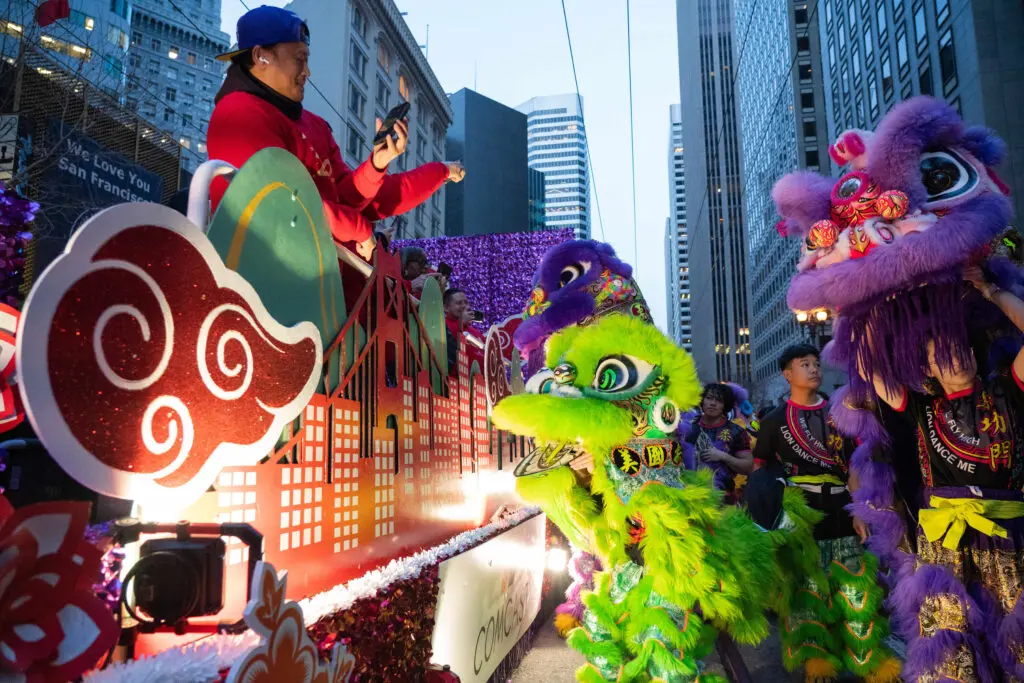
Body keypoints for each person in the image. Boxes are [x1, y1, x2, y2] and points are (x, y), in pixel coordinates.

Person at [206, 6, 465, 266]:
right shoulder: (238, 113)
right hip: (265, 282)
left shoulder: (315, 125)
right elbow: (277, 203)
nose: (307, 72)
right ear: (261, 56)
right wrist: (358, 228)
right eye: (299, 58)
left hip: (319, 282)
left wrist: (377, 164)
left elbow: (347, 196)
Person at [866, 265, 1024, 681]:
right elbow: (869, 364)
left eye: (960, 348)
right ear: (928, 369)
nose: (954, 357)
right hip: (942, 542)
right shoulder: (920, 405)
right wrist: (870, 302)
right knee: (949, 650)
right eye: (941, 353)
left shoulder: (1007, 390)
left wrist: (989, 290)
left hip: (1006, 535)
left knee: (1016, 644)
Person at [753, 344, 898, 683]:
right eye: (805, 364)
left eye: (817, 363)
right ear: (787, 374)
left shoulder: (840, 416)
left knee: (855, 587)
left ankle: (869, 658)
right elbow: (762, 470)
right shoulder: (773, 422)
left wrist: (858, 509)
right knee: (805, 589)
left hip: (840, 507)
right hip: (800, 514)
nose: (814, 369)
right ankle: (816, 659)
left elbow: (853, 467)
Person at [681, 382, 753, 503]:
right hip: (689, 495)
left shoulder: (736, 431)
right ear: (702, 401)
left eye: (719, 400)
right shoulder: (687, 428)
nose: (713, 403)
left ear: (725, 405)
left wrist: (723, 456)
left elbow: (748, 467)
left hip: (722, 498)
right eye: (709, 398)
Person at [443, 288, 482, 374]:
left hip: (480, 383)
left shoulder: (475, 332)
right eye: (459, 303)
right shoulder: (443, 326)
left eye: (466, 302)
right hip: (457, 383)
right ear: (446, 308)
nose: (465, 306)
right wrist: (462, 322)